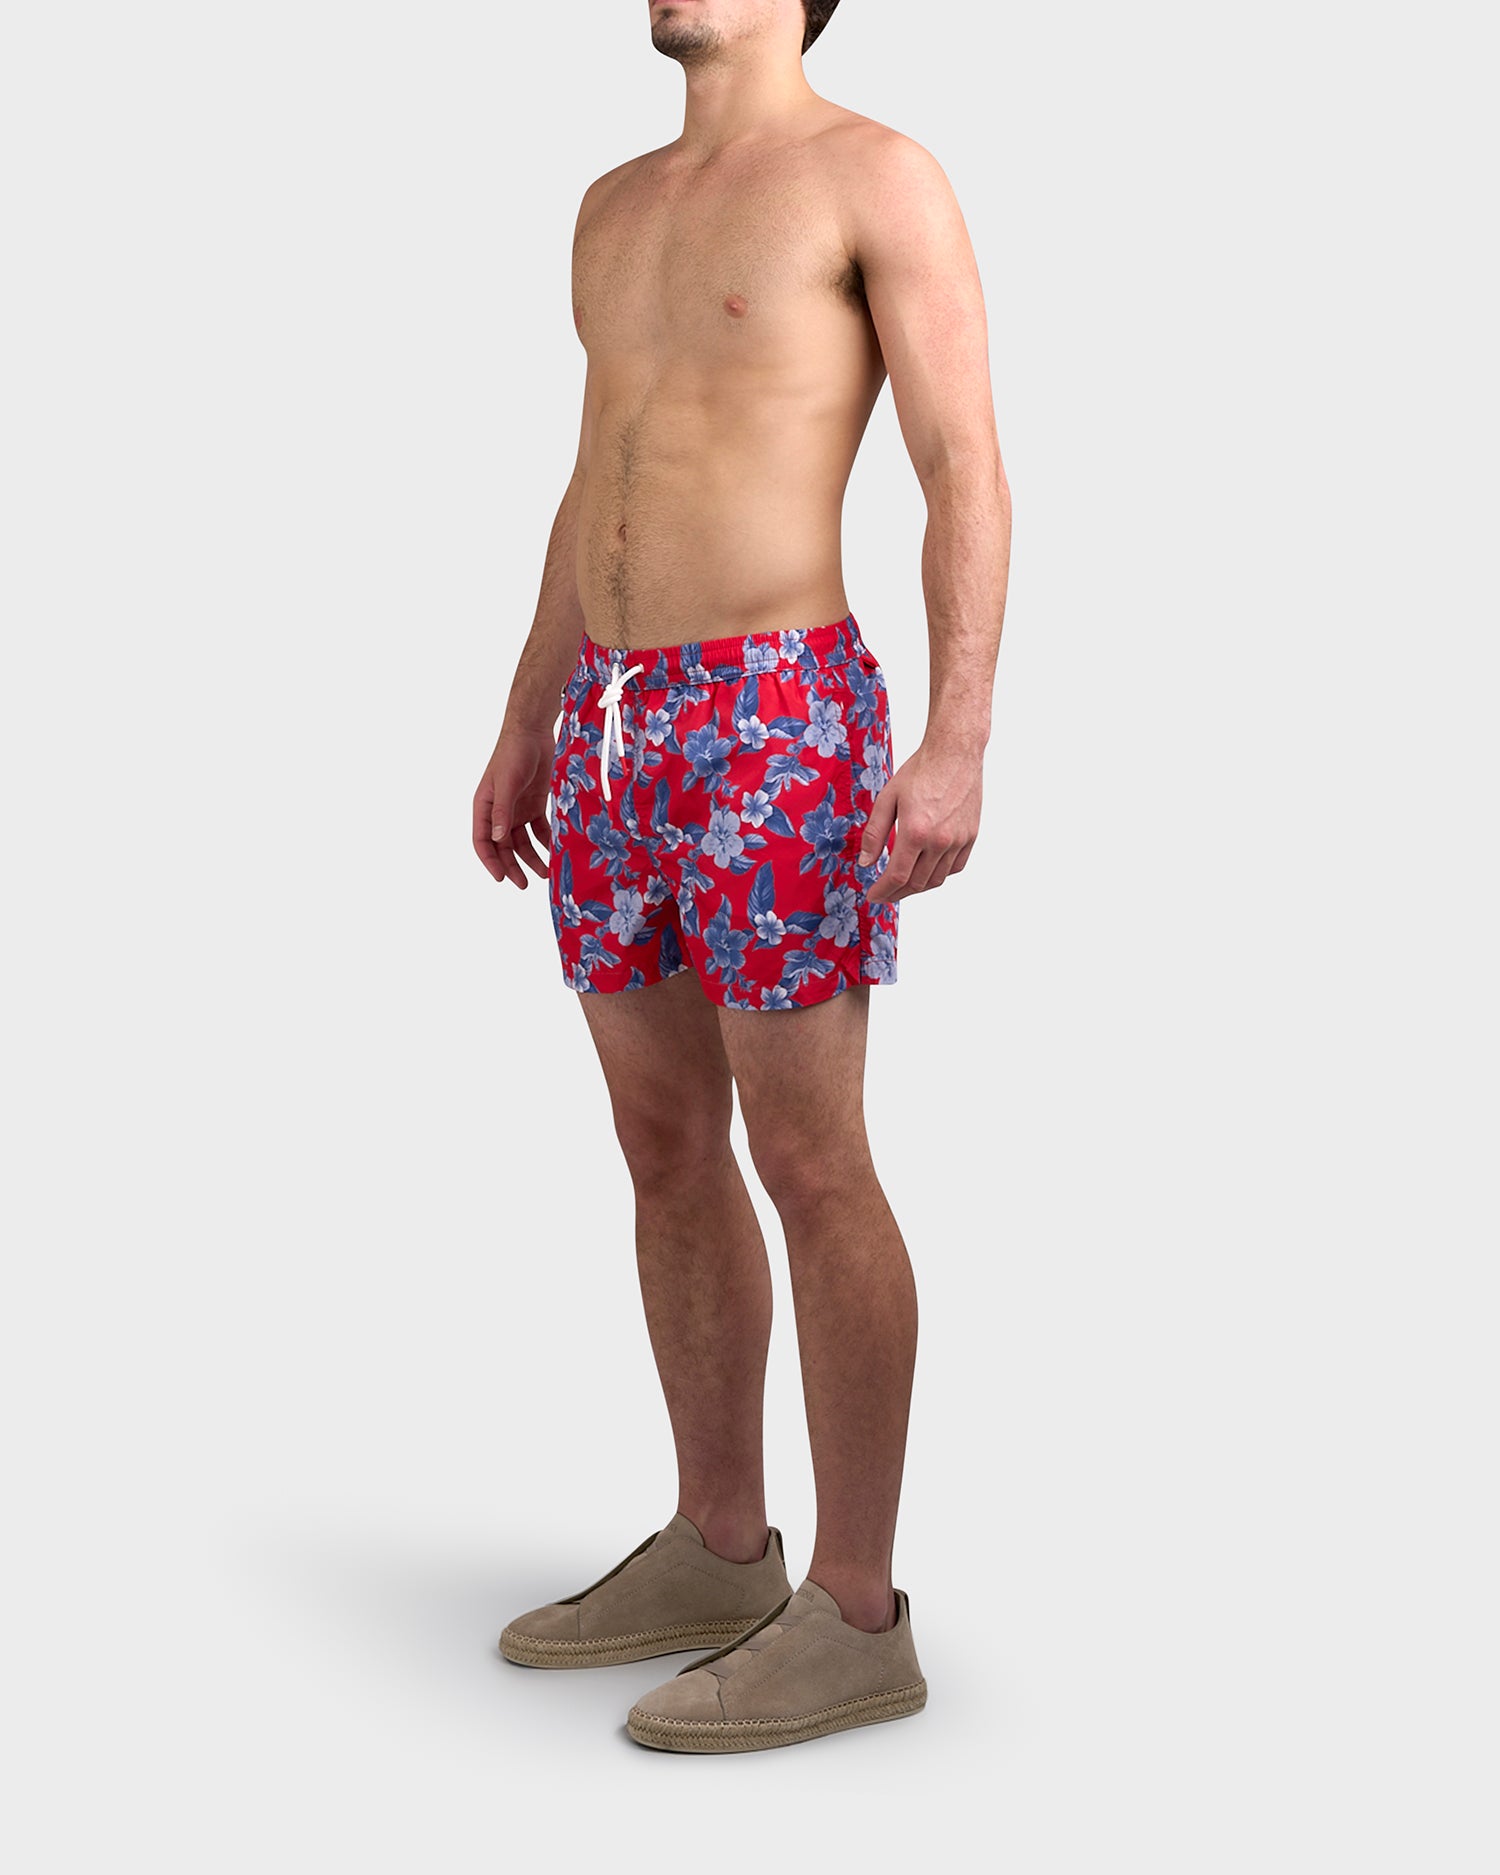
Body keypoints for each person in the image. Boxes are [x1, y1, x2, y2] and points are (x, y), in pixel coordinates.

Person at [473, 0, 1011, 1754]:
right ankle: (719, 1547)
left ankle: (854, 1616)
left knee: (810, 1157)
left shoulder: (875, 177)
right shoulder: (613, 204)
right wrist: (529, 713)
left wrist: (956, 737)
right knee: (662, 1146)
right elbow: (599, 473)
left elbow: (961, 464)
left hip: (774, 715)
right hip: (615, 720)